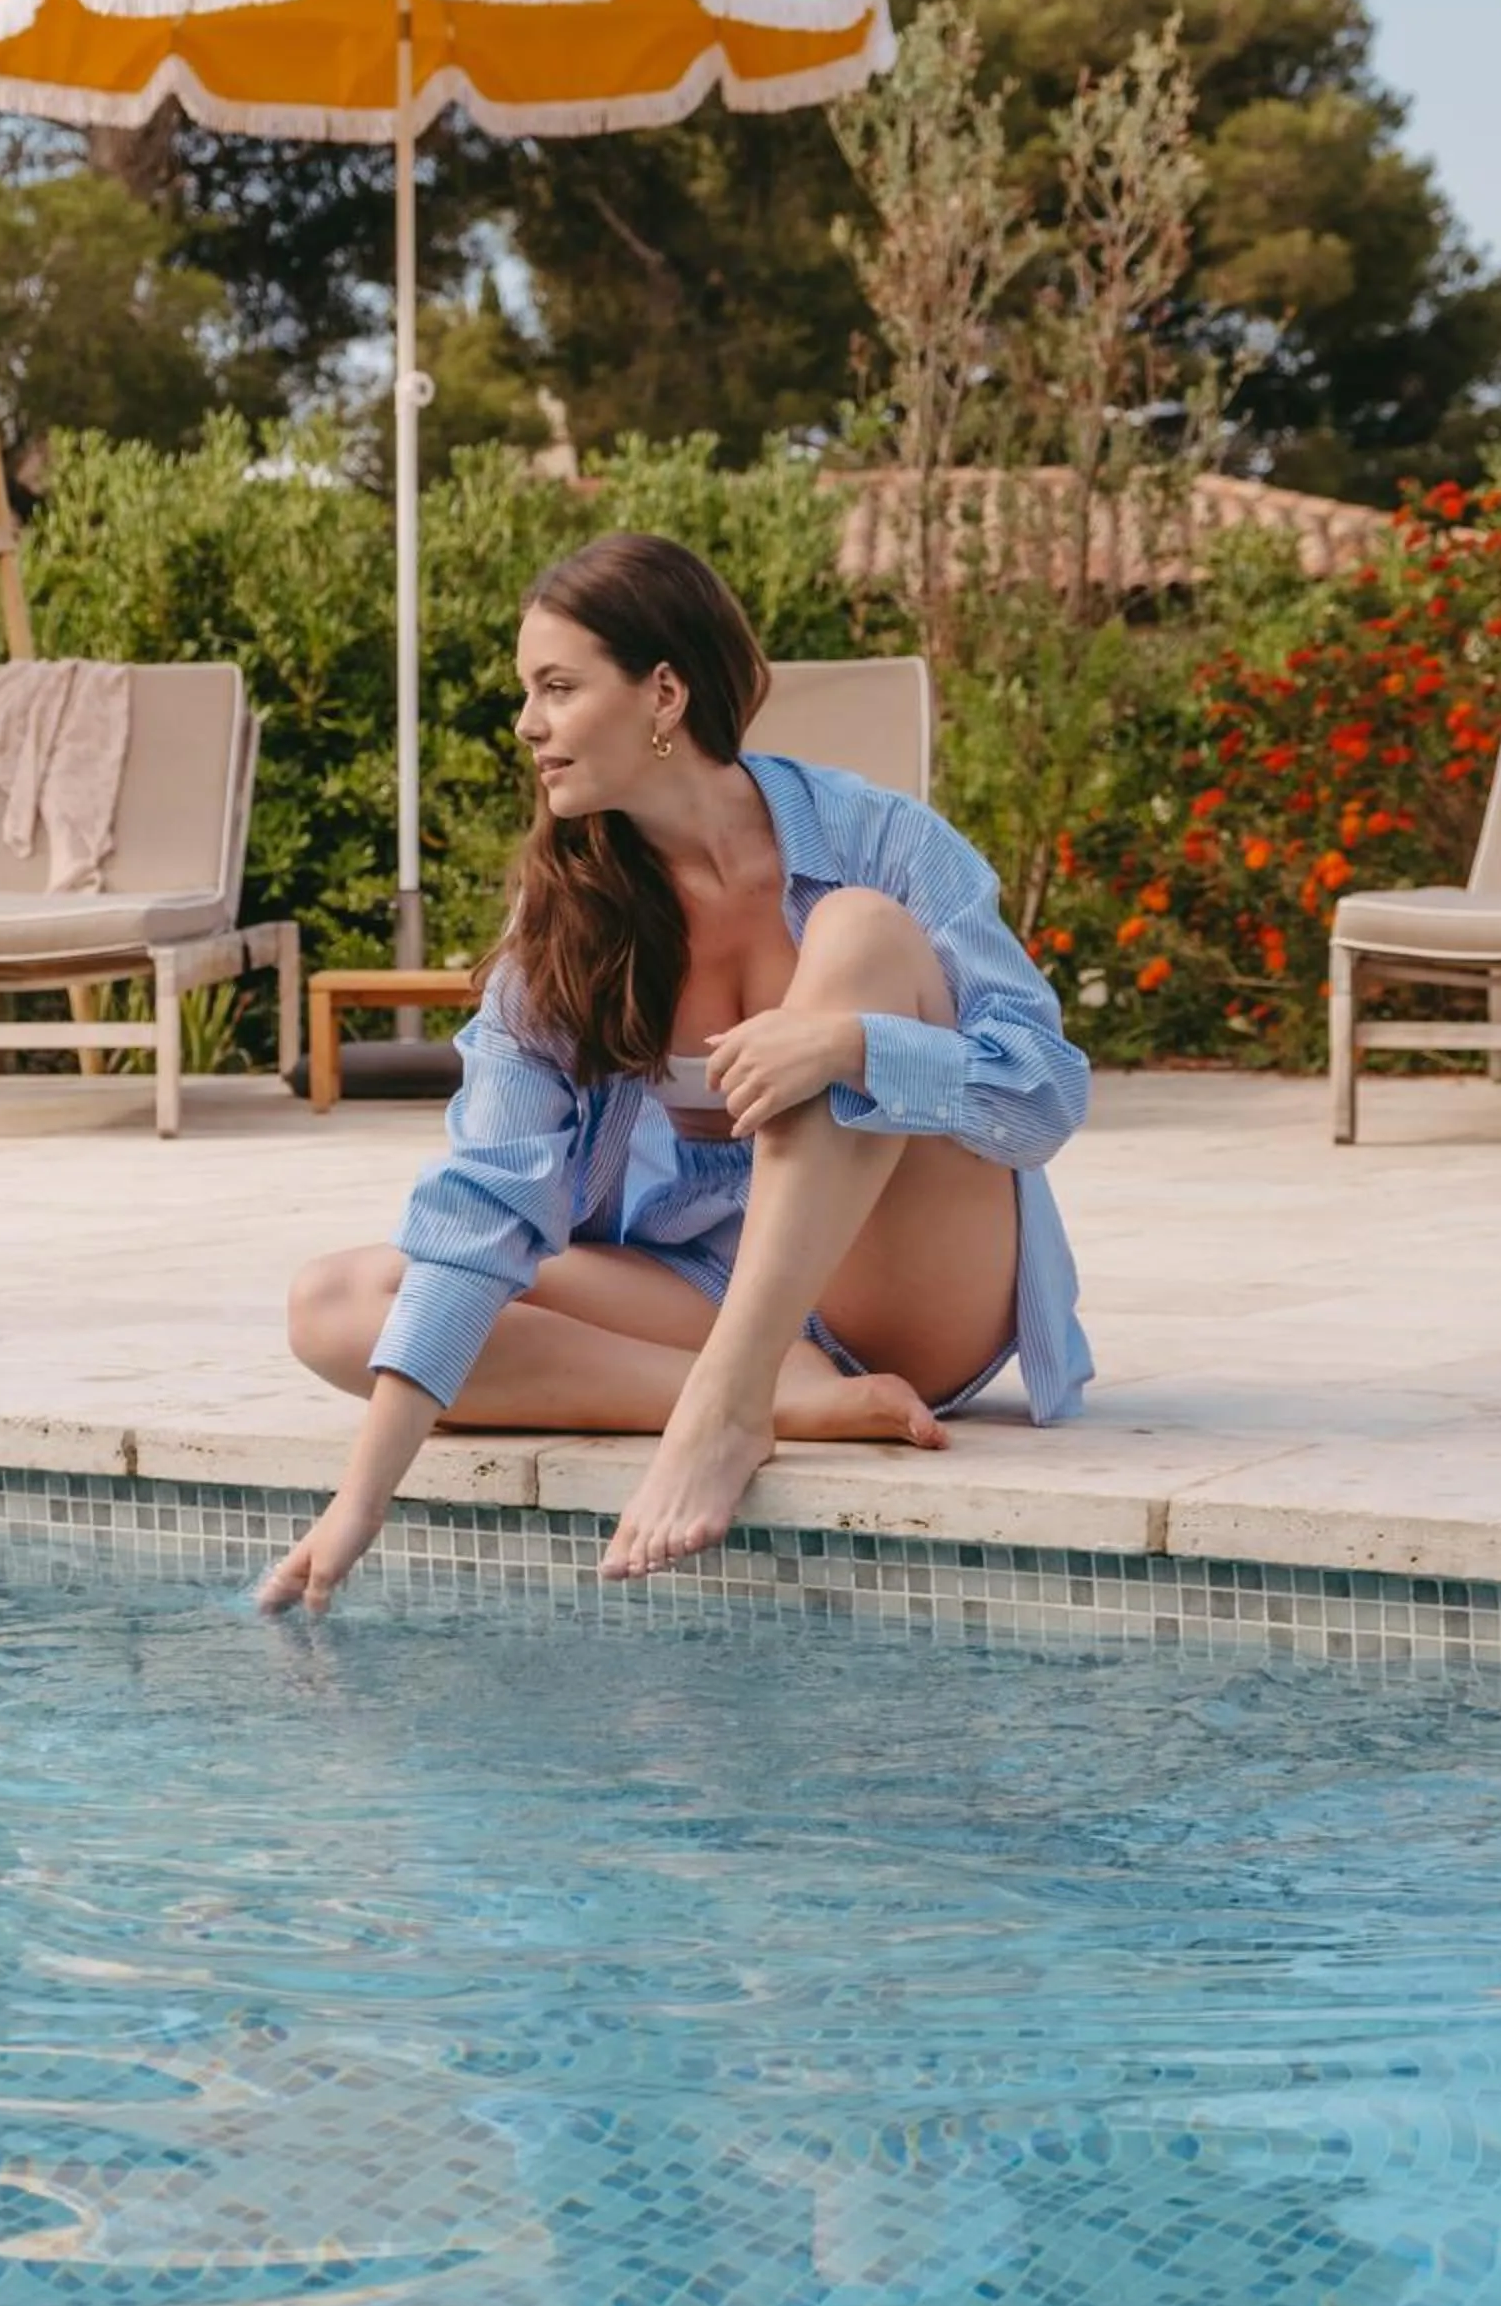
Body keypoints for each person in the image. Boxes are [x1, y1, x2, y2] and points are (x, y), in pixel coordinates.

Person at [260, 533, 1091, 1617]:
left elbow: (1042, 1099)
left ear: (662, 691)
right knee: (337, 1305)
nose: (527, 726)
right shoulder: (564, 923)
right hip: (713, 1289)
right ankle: (773, 1396)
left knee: (862, 936)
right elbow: (482, 1206)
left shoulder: (878, 842)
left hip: (913, 1289)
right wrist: (359, 1501)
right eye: (527, 692)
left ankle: (728, 1403)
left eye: (556, 688)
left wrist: (851, 1046)